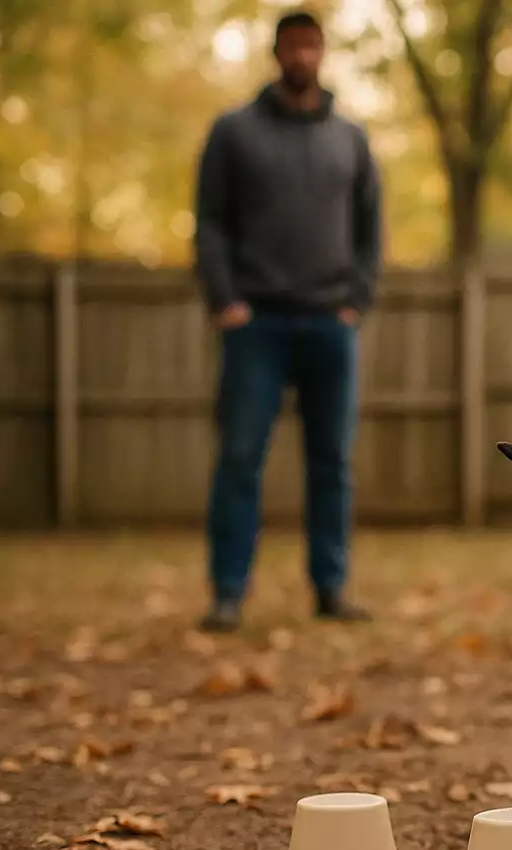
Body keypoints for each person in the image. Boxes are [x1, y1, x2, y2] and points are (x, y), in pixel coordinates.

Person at [193, 9, 380, 632]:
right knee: (240, 459)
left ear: (322, 53)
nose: (302, 56)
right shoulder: (234, 132)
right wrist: (225, 301)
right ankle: (227, 593)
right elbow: (210, 223)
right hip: (257, 328)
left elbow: (369, 231)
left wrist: (356, 301)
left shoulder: (350, 139)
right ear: (275, 54)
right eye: (292, 46)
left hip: (331, 324)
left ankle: (330, 589)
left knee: (332, 463)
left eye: (311, 45)